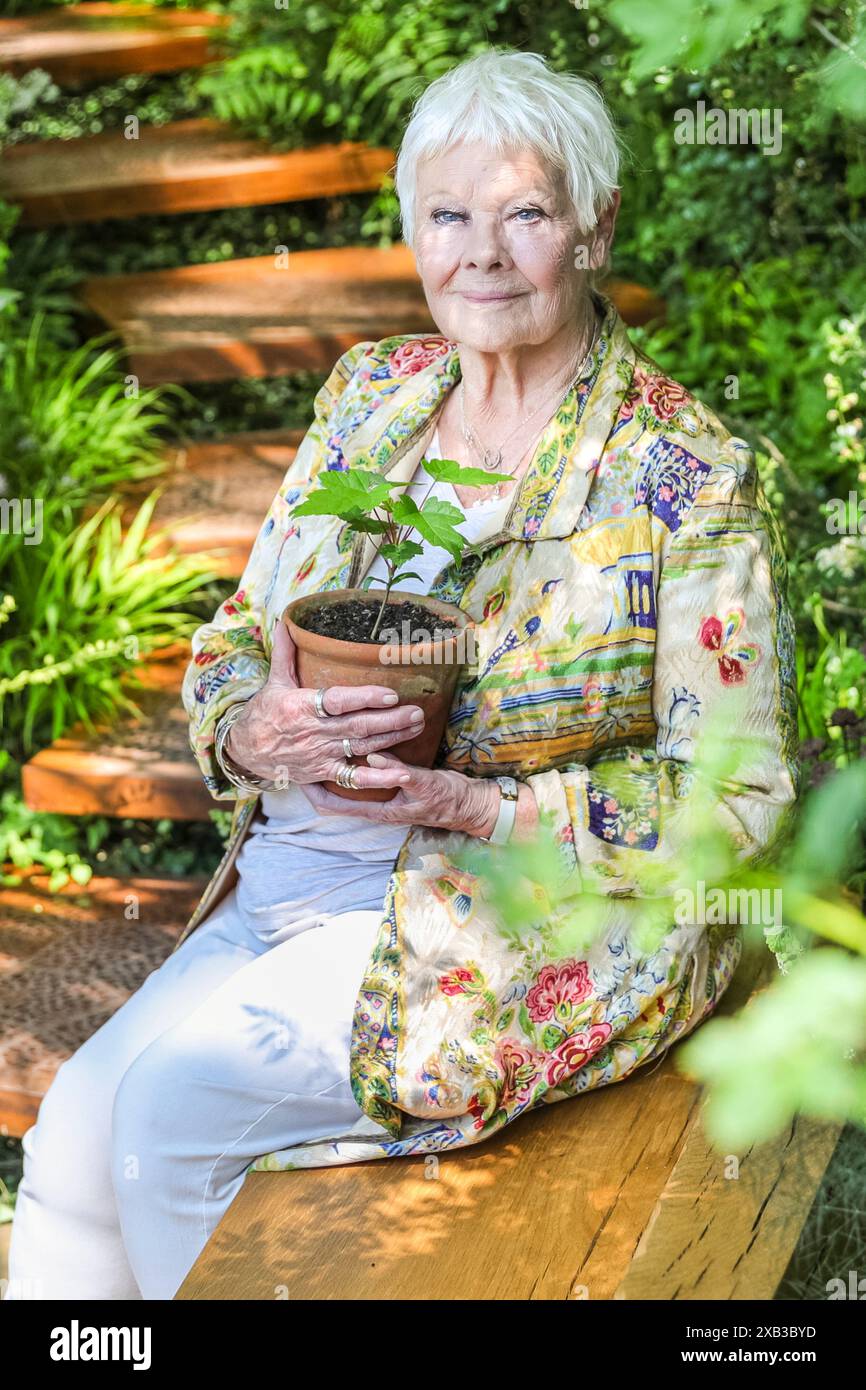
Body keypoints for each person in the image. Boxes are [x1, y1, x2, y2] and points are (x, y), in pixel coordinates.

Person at [7, 47, 799, 1302]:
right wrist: (254, 732)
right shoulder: (370, 393)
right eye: (448, 213)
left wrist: (470, 804)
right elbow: (230, 637)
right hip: (294, 870)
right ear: (409, 229)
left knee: (168, 1114)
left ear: (593, 231)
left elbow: (741, 806)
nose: (481, 252)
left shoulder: (679, 476)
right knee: (66, 1150)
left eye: (524, 214)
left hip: (501, 907)